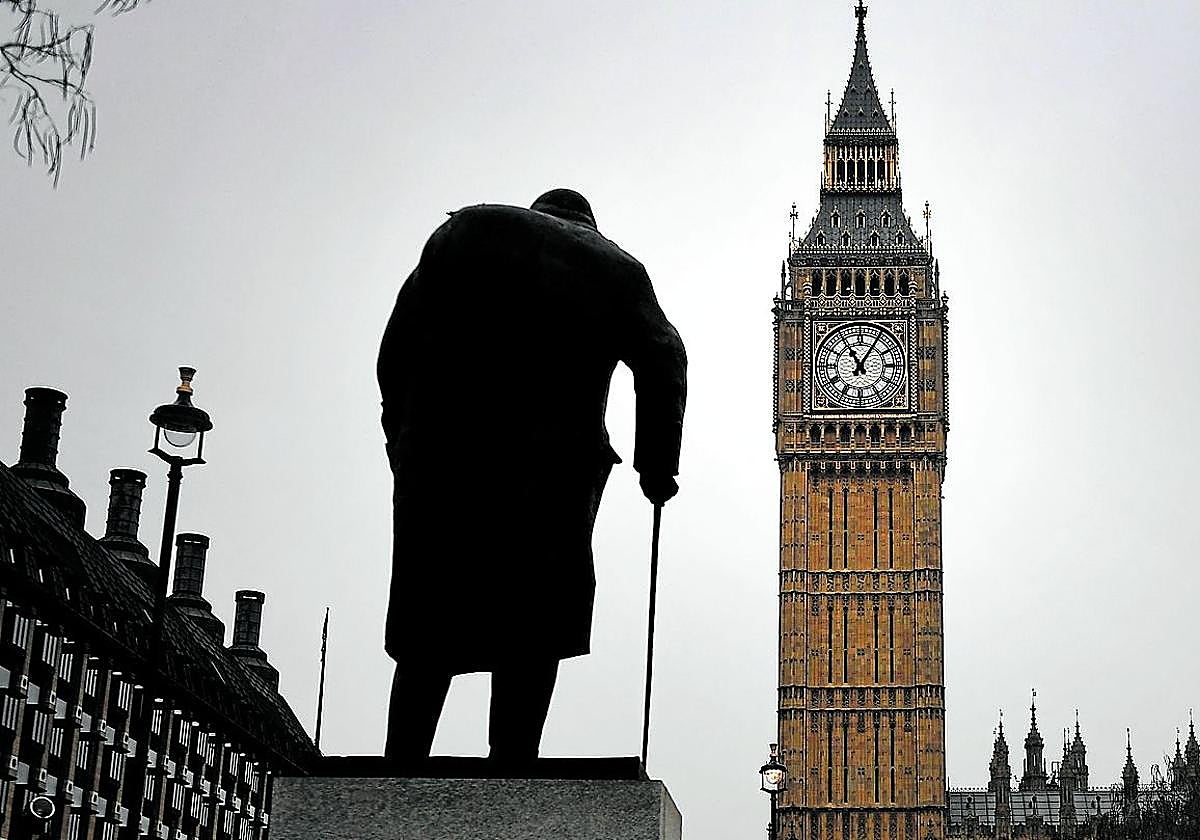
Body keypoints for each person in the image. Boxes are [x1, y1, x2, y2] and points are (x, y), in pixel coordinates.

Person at [378, 188, 686, 761]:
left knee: (431, 613)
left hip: (444, 460)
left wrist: (403, 435)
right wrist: (656, 467)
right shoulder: (615, 266)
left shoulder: (463, 230)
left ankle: (401, 762)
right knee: (536, 619)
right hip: (553, 470)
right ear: (587, 222)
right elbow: (665, 354)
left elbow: (395, 346)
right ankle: (514, 762)